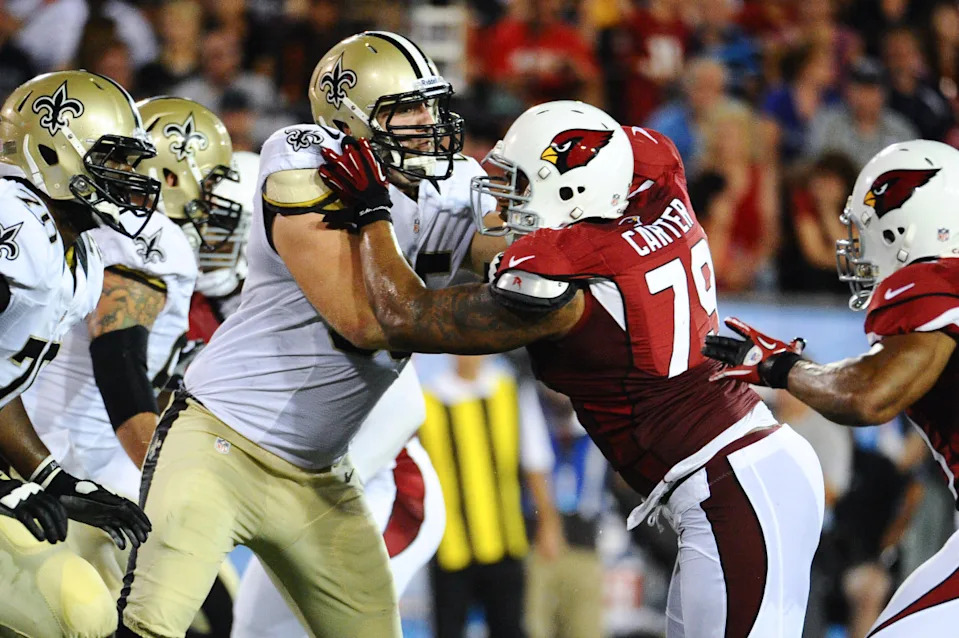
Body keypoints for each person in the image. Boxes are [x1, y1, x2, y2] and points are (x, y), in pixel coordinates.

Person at [326, 99, 825, 636]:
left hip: (733, 484)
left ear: (567, 193)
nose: (503, 202)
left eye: (519, 185)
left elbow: (402, 317)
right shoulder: (659, 197)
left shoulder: (564, 296)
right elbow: (619, 150)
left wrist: (372, 212)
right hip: (742, 468)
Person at [117, 31, 506, 638]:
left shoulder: (456, 183)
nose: (427, 122)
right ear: (349, 120)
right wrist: (378, 215)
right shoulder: (301, 157)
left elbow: (512, 269)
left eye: (430, 104)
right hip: (222, 446)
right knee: (149, 627)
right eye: (405, 108)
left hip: (321, 475)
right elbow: (362, 321)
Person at [702, 138, 959, 635]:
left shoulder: (935, 281)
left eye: (867, 231)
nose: (857, 248)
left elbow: (868, 394)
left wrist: (780, 368)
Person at [0, 69, 156, 637]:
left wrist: (51, 478)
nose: (132, 180)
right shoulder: (10, 222)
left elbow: (0, 383)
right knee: (78, 608)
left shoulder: (77, 256)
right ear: (51, 150)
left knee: (103, 579)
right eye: (113, 160)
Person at [420, 354, 558, 638]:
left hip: (505, 540)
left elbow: (535, 461)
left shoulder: (510, 391)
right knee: (447, 629)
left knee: (509, 627)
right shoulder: (427, 400)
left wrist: (548, 522)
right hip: (449, 544)